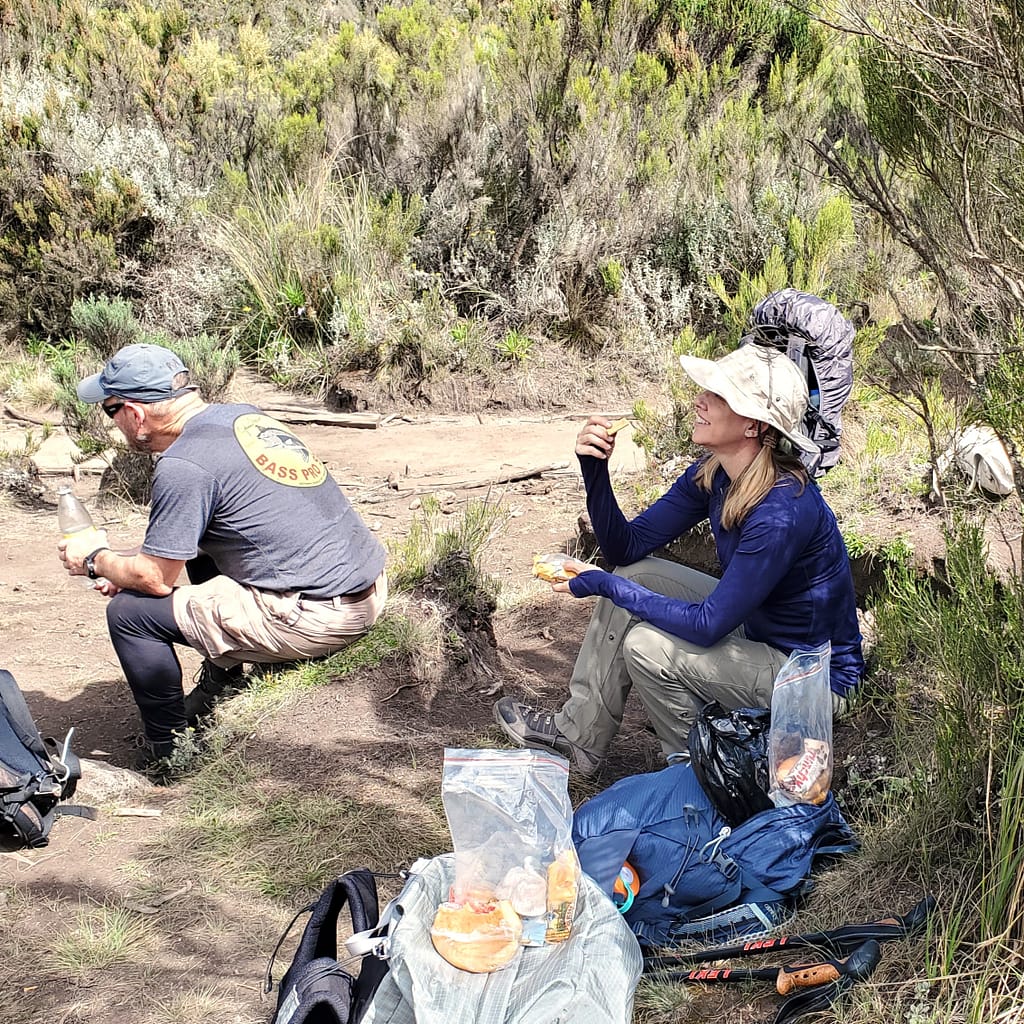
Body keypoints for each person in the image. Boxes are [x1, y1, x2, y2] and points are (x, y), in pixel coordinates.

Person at [494, 344, 864, 776]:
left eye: (719, 395)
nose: (699, 400)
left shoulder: (782, 510)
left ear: (752, 425)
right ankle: (579, 739)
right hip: (760, 634)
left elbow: (707, 626)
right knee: (638, 573)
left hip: (812, 680)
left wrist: (604, 584)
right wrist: (594, 469)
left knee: (647, 646)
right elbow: (625, 549)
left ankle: (702, 780)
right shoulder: (716, 474)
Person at [58, 343, 387, 770]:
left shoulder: (184, 465)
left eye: (110, 410)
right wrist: (128, 568)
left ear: (136, 414)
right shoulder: (244, 418)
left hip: (324, 617)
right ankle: (223, 681)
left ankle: (170, 754)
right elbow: (182, 542)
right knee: (195, 549)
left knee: (129, 615)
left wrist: (95, 559)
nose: (114, 422)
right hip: (366, 587)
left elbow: (156, 579)